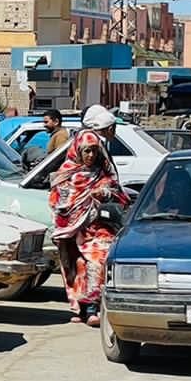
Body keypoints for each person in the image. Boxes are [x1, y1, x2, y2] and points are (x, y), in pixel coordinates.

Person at [48, 124, 129, 327]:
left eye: (94, 150)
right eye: (87, 151)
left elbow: (120, 196)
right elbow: (57, 202)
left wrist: (105, 193)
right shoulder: (66, 174)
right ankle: (80, 309)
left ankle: (93, 307)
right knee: (76, 267)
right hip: (71, 230)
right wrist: (71, 214)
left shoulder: (103, 173)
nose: (91, 155)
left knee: (97, 261)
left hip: (98, 229)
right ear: (78, 150)